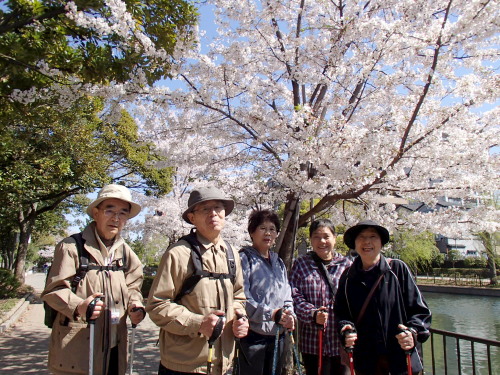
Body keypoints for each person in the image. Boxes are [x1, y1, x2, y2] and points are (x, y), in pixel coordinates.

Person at [42, 184, 146, 375]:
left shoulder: (127, 253)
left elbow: (133, 286)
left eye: (123, 213)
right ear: (96, 213)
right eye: (110, 210)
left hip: (116, 346)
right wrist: (79, 306)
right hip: (78, 349)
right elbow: (54, 290)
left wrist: (135, 305)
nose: (116, 218)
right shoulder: (71, 247)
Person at [146, 186, 249, 375]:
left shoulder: (232, 254)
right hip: (184, 365)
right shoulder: (178, 254)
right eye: (205, 209)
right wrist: (198, 323)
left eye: (218, 208)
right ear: (192, 218)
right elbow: (156, 305)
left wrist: (240, 317)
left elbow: (239, 297)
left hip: (224, 364)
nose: (213, 214)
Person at [334, 220, 432, 375]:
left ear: (381, 243)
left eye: (373, 236)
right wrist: (345, 328)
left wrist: (412, 332)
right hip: (366, 360)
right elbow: (341, 312)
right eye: (361, 237)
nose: (367, 242)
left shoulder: (397, 270)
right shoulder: (347, 277)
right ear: (354, 243)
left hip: (400, 359)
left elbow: (421, 311)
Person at [290, 219, 352, 375]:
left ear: (335, 238)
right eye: (317, 237)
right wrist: (312, 313)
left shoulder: (347, 265)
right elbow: (293, 295)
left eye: (326, 236)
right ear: (311, 239)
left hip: (341, 341)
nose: (322, 241)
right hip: (312, 342)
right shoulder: (301, 264)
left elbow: (355, 300)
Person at [238, 209, 295, 375]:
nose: (268, 233)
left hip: (278, 335)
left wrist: (289, 315)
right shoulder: (244, 259)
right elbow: (242, 297)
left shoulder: (279, 263)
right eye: (262, 228)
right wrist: (270, 313)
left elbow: (287, 294)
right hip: (253, 336)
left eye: (272, 229)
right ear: (252, 232)